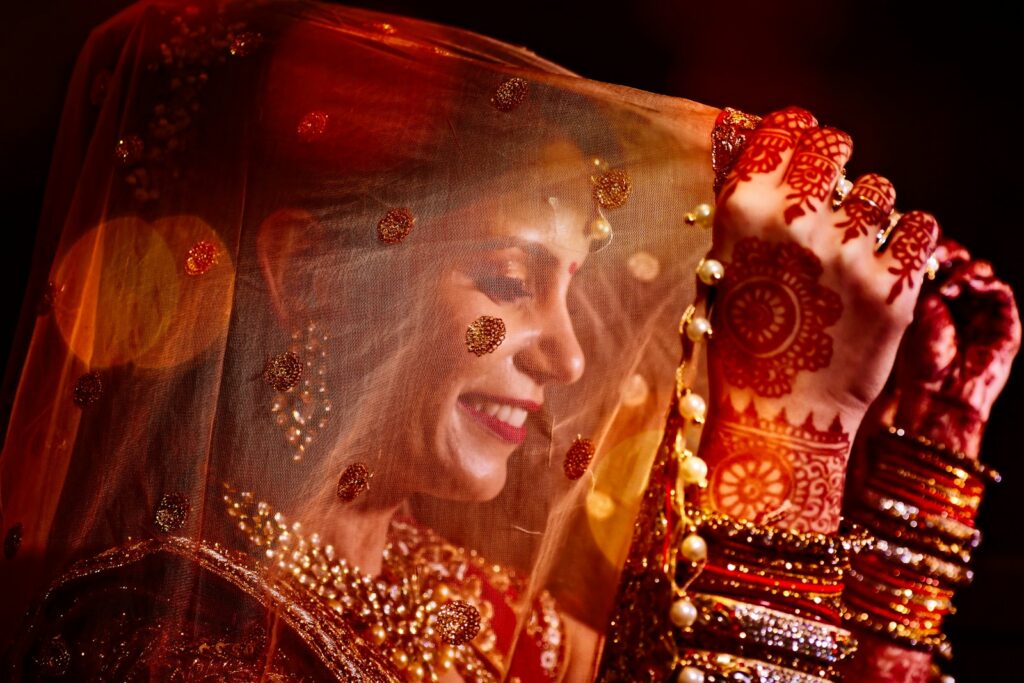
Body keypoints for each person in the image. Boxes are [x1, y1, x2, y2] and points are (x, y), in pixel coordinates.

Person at [0, 2, 1018, 683]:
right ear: (310, 279)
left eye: (575, 286)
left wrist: (912, 484)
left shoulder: (462, 594)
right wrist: (790, 435)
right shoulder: (164, 640)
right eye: (507, 280)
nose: (569, 355)